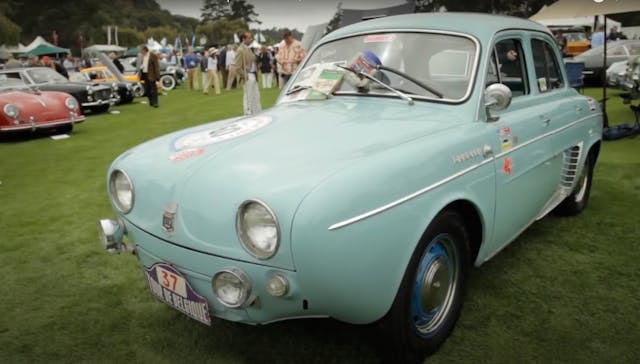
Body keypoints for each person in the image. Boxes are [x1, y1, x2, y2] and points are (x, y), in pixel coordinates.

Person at [233, 32, 261, 115]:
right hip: (248, 75)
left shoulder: (248, 48)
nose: (251, 39)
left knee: (256, 96)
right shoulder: (240, 50)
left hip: (253, 74)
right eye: (249, 38)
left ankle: (257, 112)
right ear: (243, 39)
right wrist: (245, 76)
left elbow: (253, 59)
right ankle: (247, 113)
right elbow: (237, 67)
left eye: (251, 38)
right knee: (248, 97)